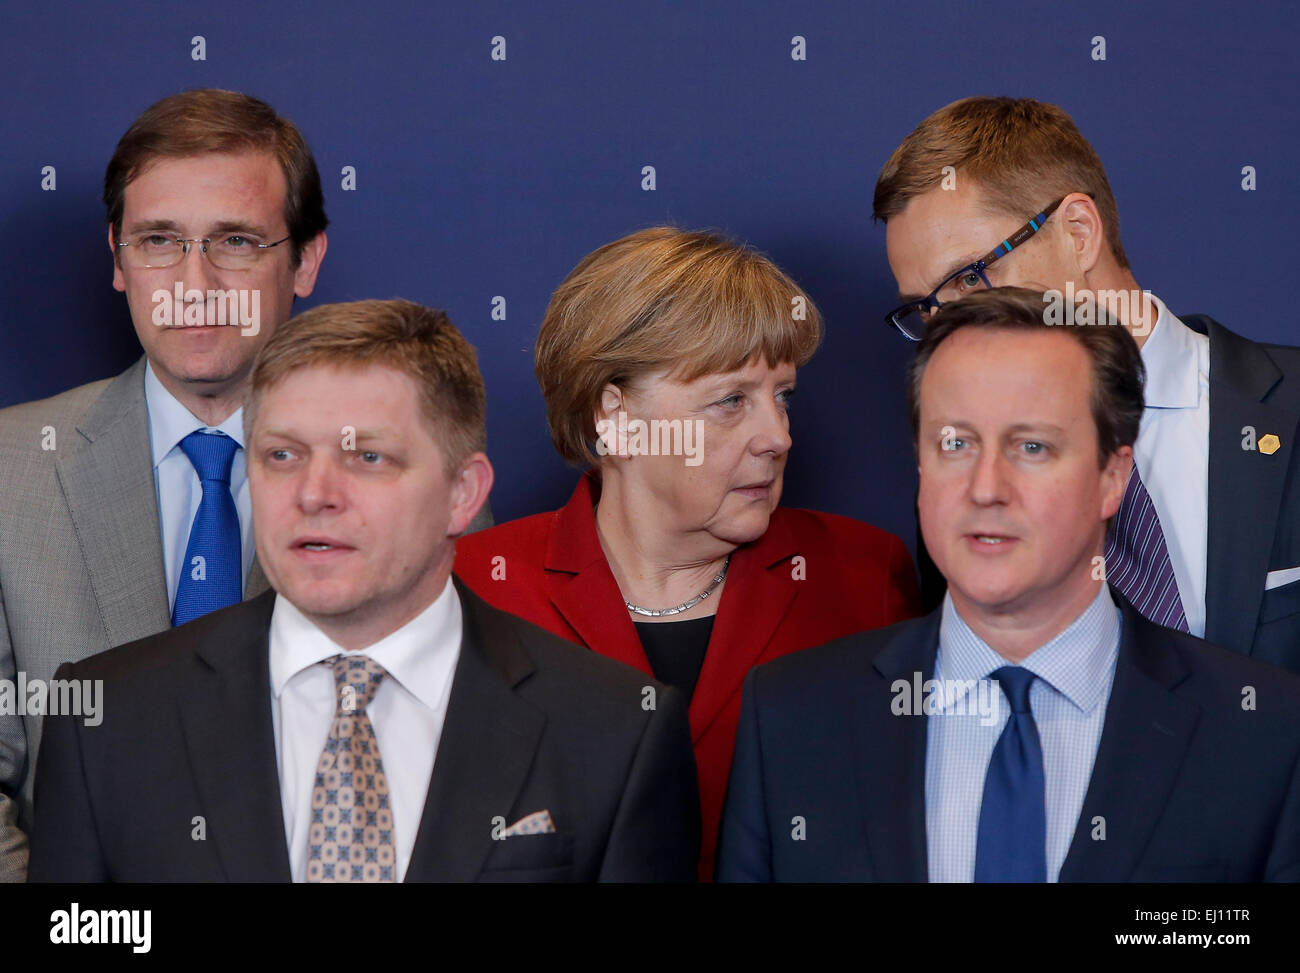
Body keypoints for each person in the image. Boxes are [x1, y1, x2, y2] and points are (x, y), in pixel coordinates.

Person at [29, 299, 698, 883]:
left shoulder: (616, 734)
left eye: (367, 457)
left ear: (463, 494)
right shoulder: (105, 722)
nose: (314, 494)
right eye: (282, 455)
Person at [716, 288, 1300, 883]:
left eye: (1031, 447)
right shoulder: (793, 718)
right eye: (955, 444)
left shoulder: (1265, 731)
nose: (986, 487)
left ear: (1112, 477)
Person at [454, 226, 922, 879]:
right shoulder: (474, 588)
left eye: (782, 396)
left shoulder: (863, 575)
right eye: (731, 401)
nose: (778, 436)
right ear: (612, 416)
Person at [873, 97, 1300, 675]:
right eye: (924, 309)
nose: (946, 330)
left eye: (971, 278)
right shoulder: (966, 506)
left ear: (1078, 232)